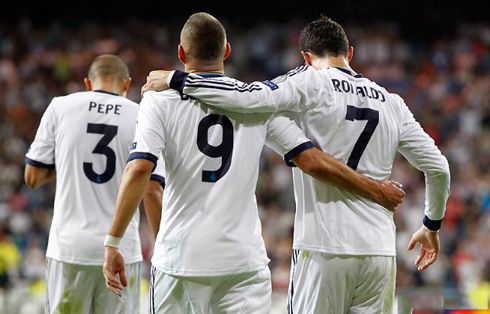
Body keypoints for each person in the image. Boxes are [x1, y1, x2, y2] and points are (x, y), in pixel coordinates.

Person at [143, 14, 451, 314]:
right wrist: (431, 225)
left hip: (324, 248)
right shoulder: (391, 102)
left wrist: (177, 78)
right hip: (379, 252)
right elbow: (438, 168)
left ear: (305, 56)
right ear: (350, 54)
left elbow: (249, 99)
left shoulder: (310, 81)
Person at [24, 54, 165, 314]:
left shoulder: (60, 106)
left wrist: (68, 160)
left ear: (88, 83)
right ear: (126, 84)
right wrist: (164, 249)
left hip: (69, 248)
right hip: (122, 249)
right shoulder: (141, 113)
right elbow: (152, 187)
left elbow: (32, 177)